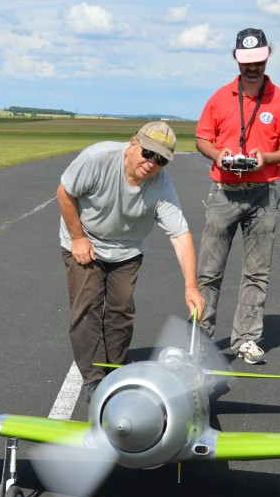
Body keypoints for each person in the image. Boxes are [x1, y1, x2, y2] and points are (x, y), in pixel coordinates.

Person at [58, 121, 206, 401]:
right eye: (148, 153)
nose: (151, 163)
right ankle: (94, 378)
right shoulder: (96, 159)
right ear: (133, 144)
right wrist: (78, 238)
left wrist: (191, 286)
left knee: (121, 312)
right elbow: (65, 192)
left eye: (161, 159)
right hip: (84, 240)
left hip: (127, 248)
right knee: (86, 309)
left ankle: (115, 371)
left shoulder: (161, 184)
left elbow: (180, 234)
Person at [195, 27, 280, 364]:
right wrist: (217, 155)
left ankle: (246, 339)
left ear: (267, 56)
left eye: (258, 61)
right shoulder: (218, 98)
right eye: (246, 61)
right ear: (236, 58)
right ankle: (200, 341)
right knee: (208, 272)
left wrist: (265, 158)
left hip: (262, 195)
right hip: (224, 193)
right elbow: (201, 140)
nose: (252, 68)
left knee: (257, 272)